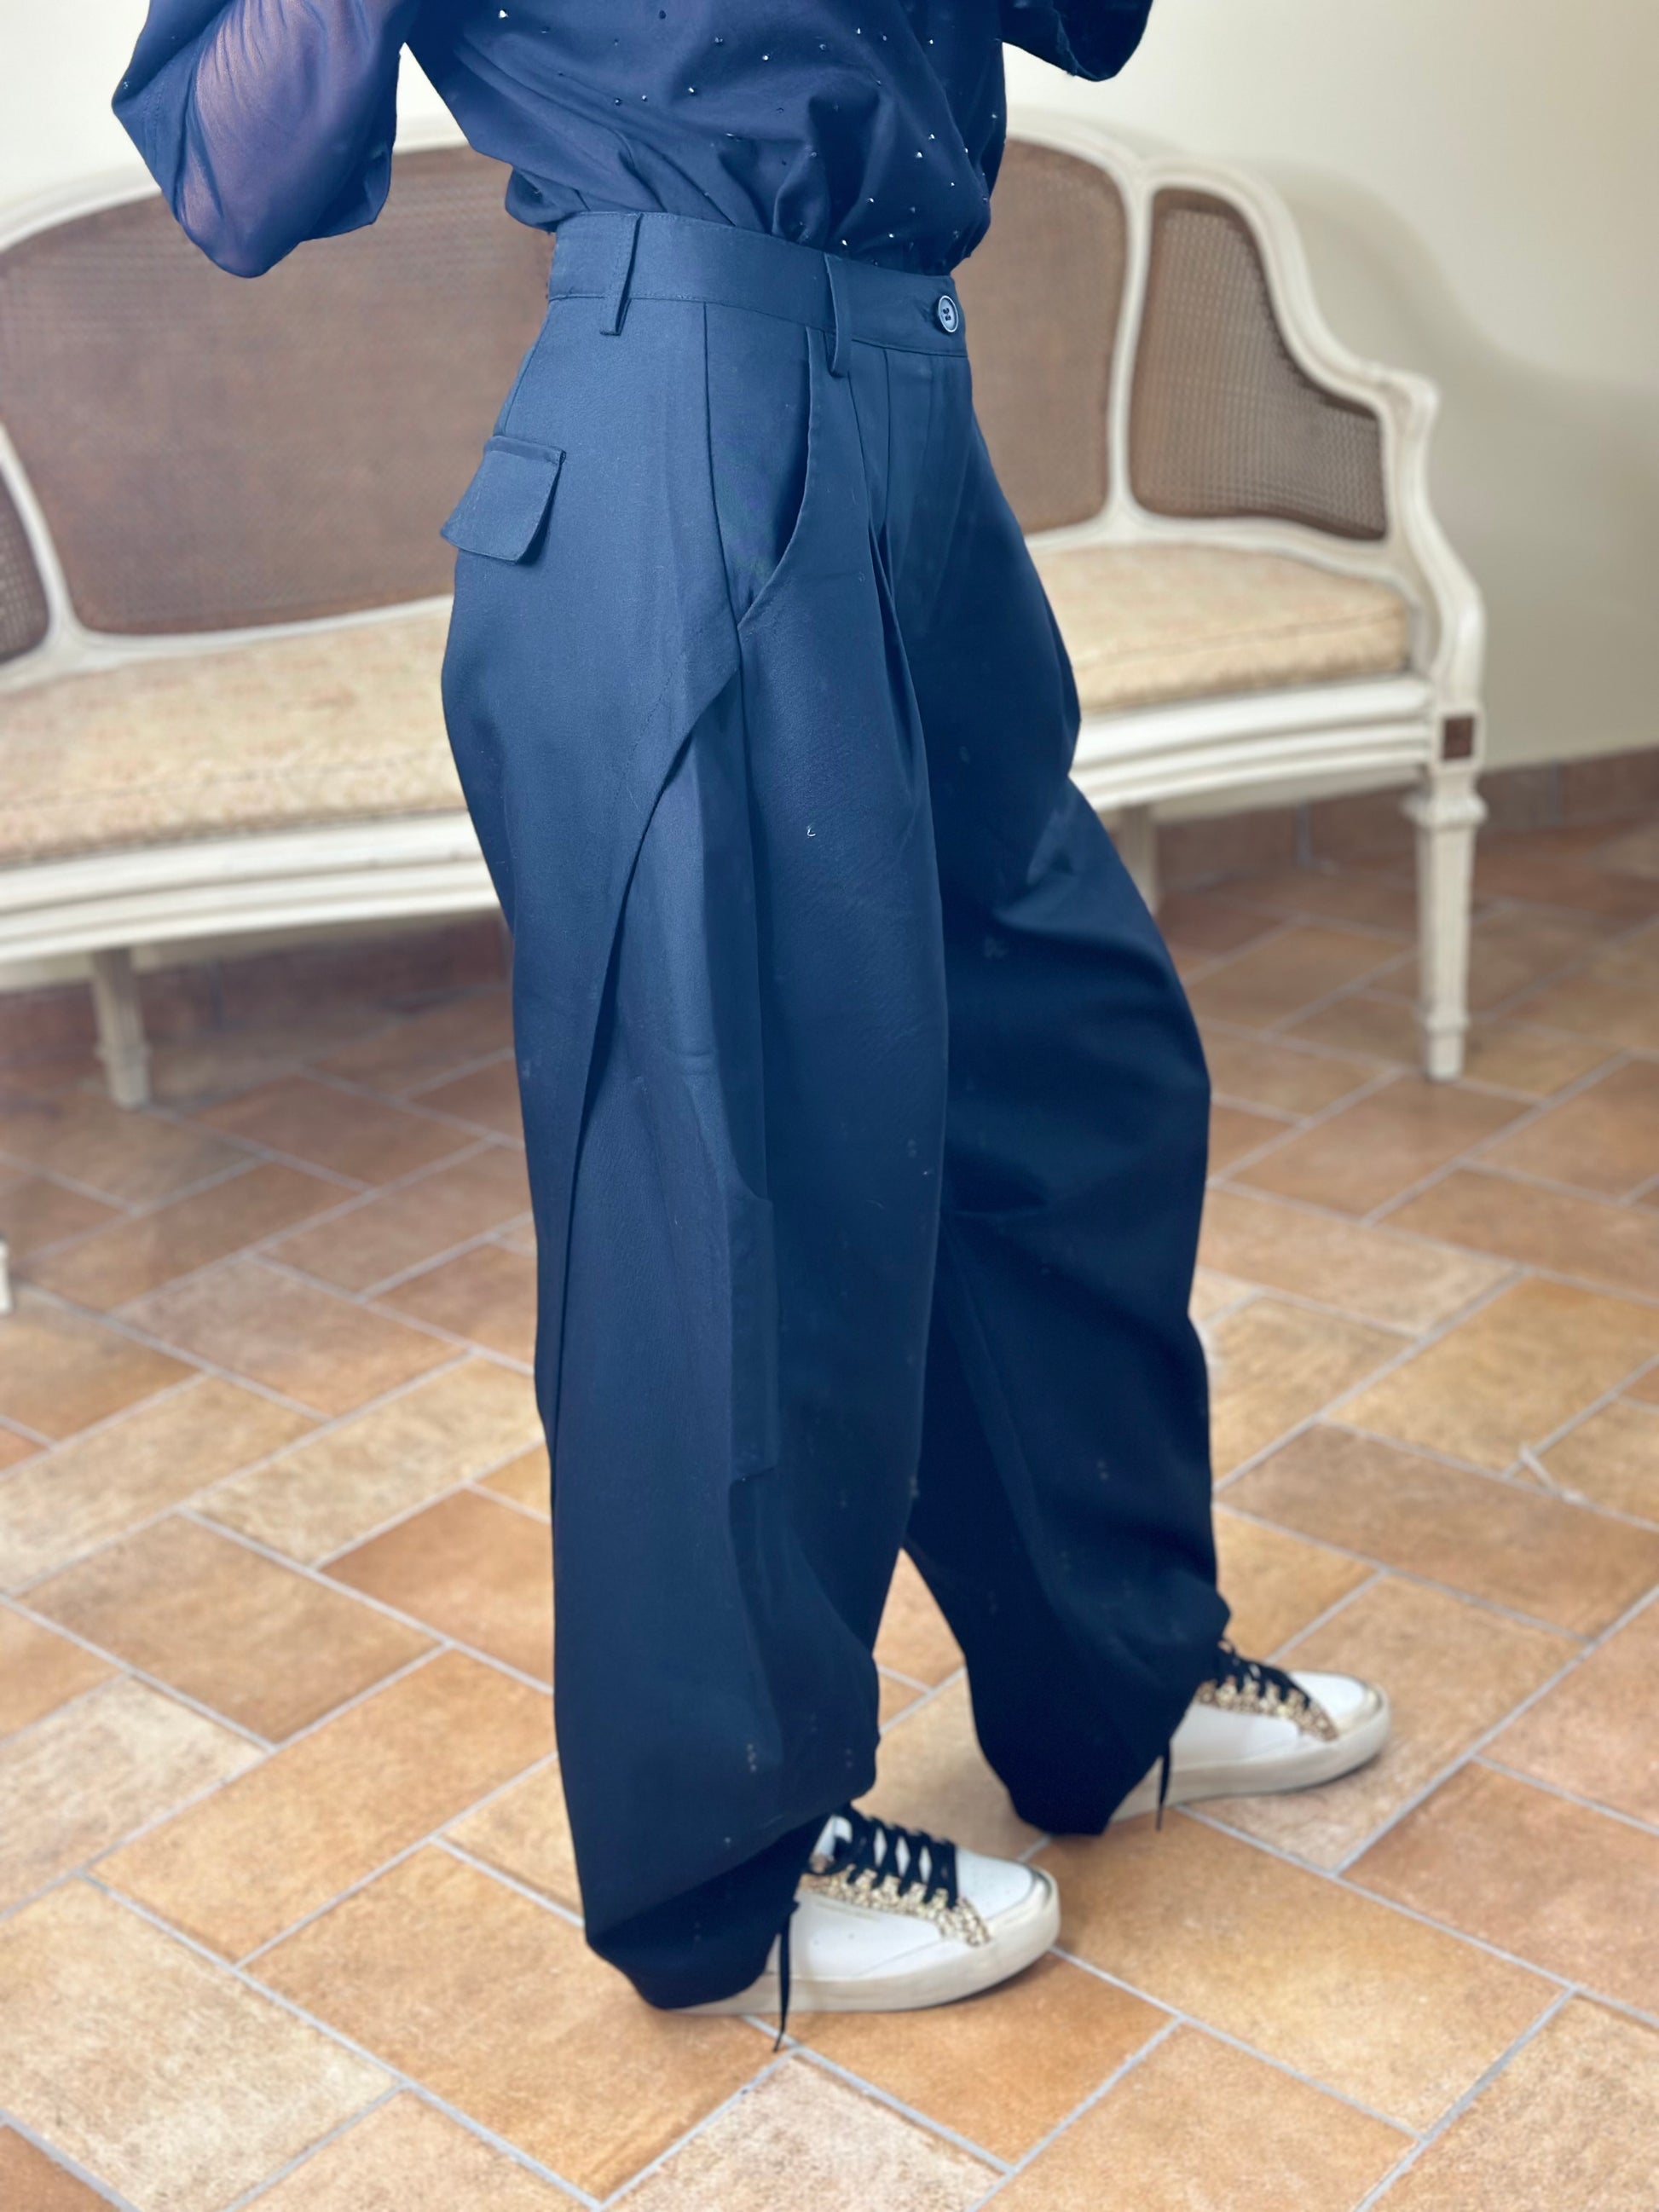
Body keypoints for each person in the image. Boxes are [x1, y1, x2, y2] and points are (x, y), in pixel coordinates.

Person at [115, 1, 1389, 2021]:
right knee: (729, 1162)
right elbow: (232, 168)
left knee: (1068, 1069)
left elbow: (1091, 28)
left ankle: (1110, 1678)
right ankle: (728, 1857)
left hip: (912, 409)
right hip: (680, 420)